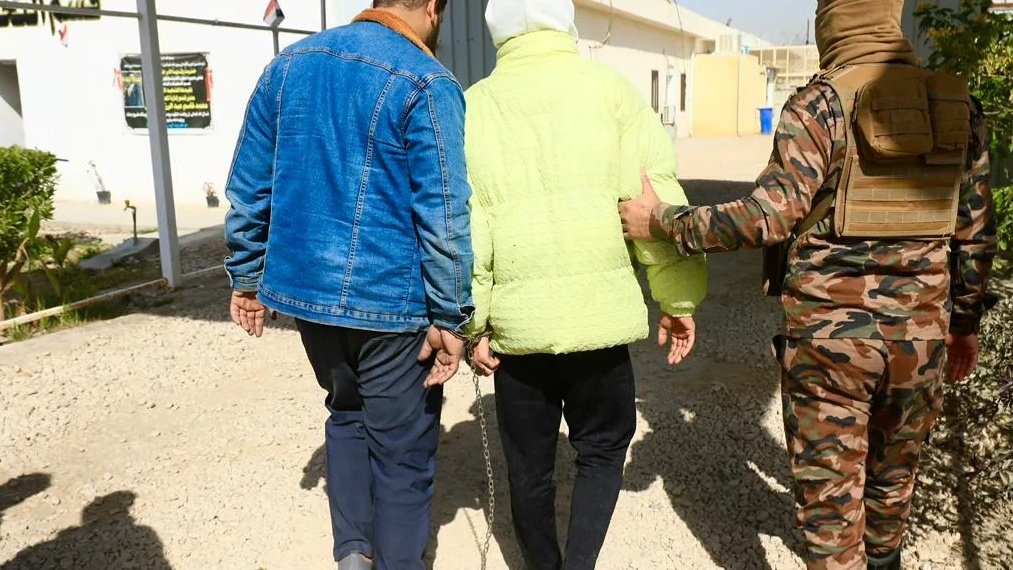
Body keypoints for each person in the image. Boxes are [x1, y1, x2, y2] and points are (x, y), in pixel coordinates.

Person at [619, 1, 998, 568]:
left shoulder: (819, 104)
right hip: (921, 339)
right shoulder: (957, 106)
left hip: (829, 345)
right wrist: (963, 325)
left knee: (830, 516)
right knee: (891, 492)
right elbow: (977, 233)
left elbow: (767, 217)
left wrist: (664, 222)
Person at [223, 1, 473, 568]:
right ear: (433, 7)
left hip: (308, 293)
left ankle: (354, 556)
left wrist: (246, 274)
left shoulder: (288, 65)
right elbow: (444, 214)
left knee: (346, 413)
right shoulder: (428, 81)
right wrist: (451, 315)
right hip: (393, 301)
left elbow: (249, 183)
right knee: (402, 454)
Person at [461, 1, 708, 568]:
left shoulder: (474, 106)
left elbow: (466, 228)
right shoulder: (610, 92)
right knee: (602, 450)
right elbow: (652, 197)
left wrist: (472, 322)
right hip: (600, 325)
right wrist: (677, 298)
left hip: (518, 334)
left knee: (528, 468)